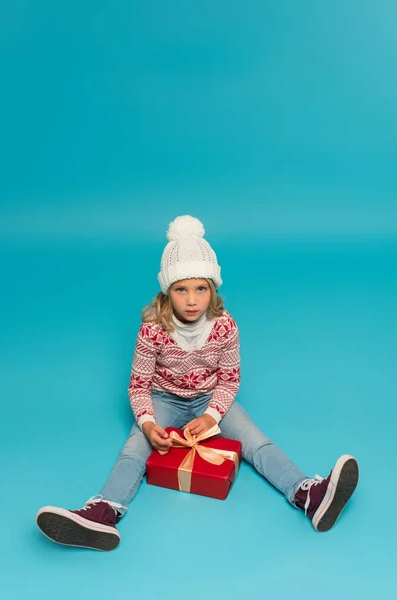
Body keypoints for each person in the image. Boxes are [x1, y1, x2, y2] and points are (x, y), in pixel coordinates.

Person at [36, 215, 359, 552]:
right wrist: (147, 425)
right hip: (164, 398)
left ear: (212, 289)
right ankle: (103, 513)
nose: (191, 300)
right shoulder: (152, 329)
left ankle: (308, 494)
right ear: (167, 291)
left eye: (200, 288)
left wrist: (212, 416)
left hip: (211, 398)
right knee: (133, 449)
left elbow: (230, 379)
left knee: (255, 440)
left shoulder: (225, 326)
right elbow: (138, 385)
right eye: (181, 289)